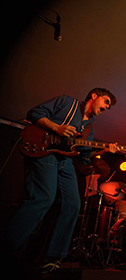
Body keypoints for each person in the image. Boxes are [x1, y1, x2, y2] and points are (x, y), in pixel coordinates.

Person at [2, 88, 119, 273]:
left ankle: (53, 257)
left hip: (65, 161)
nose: (107, 107)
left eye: (109, 106)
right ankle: (5, 248)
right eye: (106, 101)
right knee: (43, 198)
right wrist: (57, 128)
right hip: (44, 151)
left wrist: (103, 152)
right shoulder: (67, 102)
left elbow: (83, 157)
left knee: (73, 204)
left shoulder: (90, 128)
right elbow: (34, 113)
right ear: (94, 95)